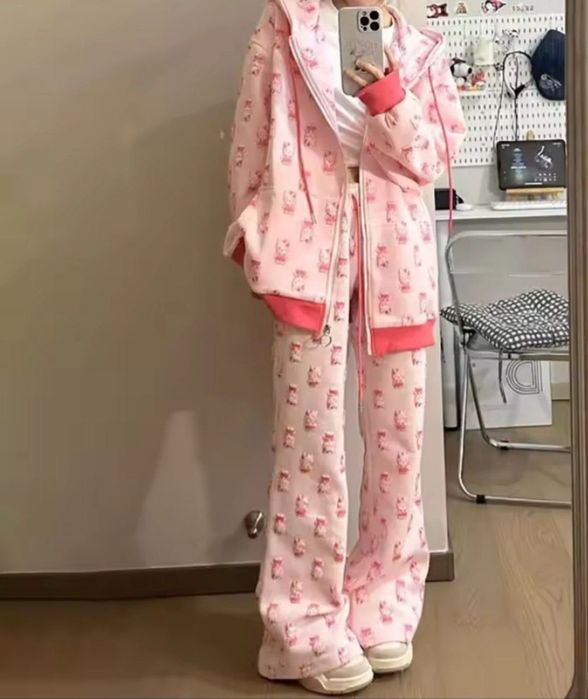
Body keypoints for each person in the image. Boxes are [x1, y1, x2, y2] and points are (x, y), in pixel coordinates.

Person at [224, 0, 465, 694]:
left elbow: (433, 157)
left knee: (398, 447)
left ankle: (383, 601)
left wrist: (387, 89)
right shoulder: (283, 28)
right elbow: (249, 140)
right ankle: (298, 631)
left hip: (398, 264)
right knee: (309, 447)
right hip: (309, 258)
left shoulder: (417, 48)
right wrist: (254, 240)